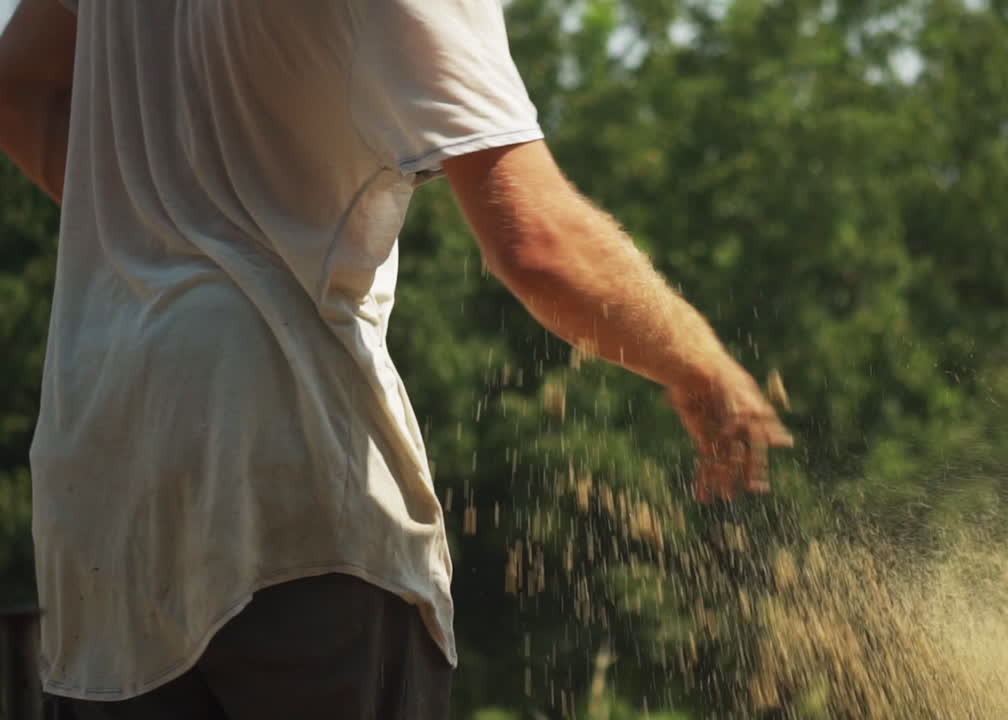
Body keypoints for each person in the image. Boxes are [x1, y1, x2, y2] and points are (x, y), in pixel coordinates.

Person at [0, 0, 794, 717]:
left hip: (97, 457)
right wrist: (702, 365)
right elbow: (539, 243)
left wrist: (164, 232)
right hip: (277, 454)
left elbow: (19, 88)